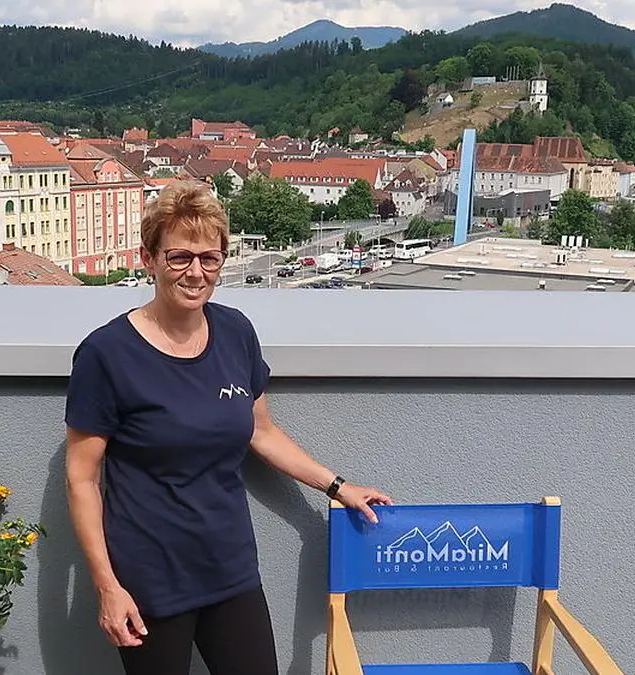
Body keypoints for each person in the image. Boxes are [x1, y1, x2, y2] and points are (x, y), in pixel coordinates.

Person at [63, 180, 392, 675]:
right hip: (151, 580)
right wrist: (107, 586)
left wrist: (338, 486)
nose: (196, 273)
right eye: (179, 257)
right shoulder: (107, 354)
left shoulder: (235, 332)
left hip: (230, 570)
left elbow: (261, 431)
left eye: (209, 258)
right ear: (149, 258)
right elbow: (82, 479)